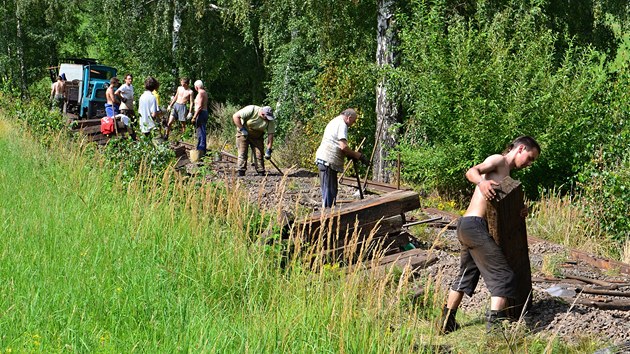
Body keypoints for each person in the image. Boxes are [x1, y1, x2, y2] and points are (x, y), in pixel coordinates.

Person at [438, 135, 541, 334]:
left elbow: (498, 209)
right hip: (474, 226)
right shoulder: (498, 161)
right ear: (520, 149)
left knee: (465, 276)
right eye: (529, 157)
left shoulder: (508, 176)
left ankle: (446, 322)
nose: (529, 164)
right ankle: (494, 331)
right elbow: (472, 171)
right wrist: (481, 183)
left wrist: (519, 210)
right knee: (504, 276)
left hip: (468, 227)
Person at [314, 108, 369, 208]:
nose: (353, 123)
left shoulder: (335, 121)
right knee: (329, 193)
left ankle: (329, 217)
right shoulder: (342, 124)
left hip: (326, 161)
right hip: (327, 161)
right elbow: (343, 146)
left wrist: (349, 154)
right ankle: (326, 218)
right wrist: (357, 155)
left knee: (331, 191)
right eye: (354, 121)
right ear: (349, 117)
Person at [232, 105, 276, 176]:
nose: (267, 119)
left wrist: (269, 150)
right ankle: (241, 171)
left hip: (257, 136)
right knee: (242, 153)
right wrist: (242, 129)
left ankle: (260, 171)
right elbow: (235, 116)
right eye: (266, 117)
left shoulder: (270, 120)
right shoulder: (251, 109)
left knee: (259, 154)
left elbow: (270, 135)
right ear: (262, 114)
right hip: (243, 133)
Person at [191, 80, 208, 156]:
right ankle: (201, 149)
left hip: (201, 113)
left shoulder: (201, 93)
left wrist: (194, 117)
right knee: (201, 131)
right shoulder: (204, 92)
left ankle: (201, 150)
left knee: (201, 132)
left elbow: (200, 106)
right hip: (203, 113)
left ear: (196, 87)